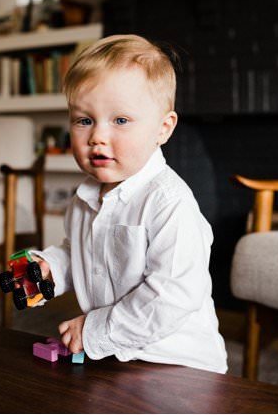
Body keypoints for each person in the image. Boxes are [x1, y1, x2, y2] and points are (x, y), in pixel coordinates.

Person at [28, 35, 228, 373]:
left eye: (120, 120)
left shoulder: (169, 204)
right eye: (84, 120)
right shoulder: (83, 199)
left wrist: (94, 330)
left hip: (176, 363)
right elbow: (83, 256)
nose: (97, 137)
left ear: (163, 128)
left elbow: (171, 296)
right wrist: (49, 270)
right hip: (113, 354)